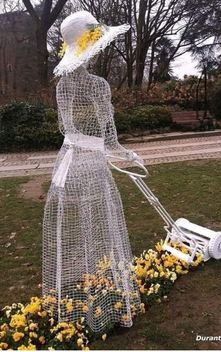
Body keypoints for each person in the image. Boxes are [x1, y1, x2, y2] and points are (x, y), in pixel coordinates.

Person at [43, 11, 143, 333]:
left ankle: (65, 310)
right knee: (101, 228)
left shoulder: (62, 89)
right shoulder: (99, 86)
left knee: (70, 231)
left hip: (67, 164)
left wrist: (90, 143)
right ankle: (106, 305)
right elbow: (109, 137)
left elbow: (64, 129)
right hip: (93, 167)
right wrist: (129, 154)